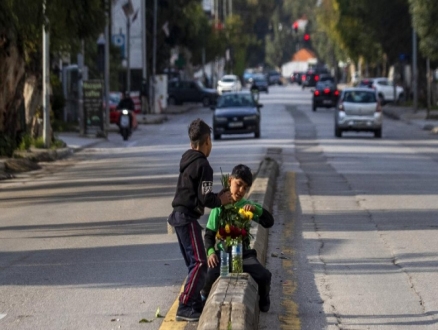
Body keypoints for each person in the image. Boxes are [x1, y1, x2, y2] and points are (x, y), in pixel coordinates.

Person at [168, 118, 233, 322]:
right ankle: (185, 305)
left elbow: (199, 193)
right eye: (210, 141)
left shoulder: (187, 160)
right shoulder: (204, 165)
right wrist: (220, 200)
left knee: (193, 263)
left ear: (191, 143)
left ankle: (195, 302)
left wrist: (217, 197)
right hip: (186, 218)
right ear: (207, 141)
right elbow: (206, 198)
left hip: (179, 216)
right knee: (199, 262)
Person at [201, 164, 274, 312]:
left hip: (243, 254)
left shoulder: (246, 206)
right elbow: (209, 233)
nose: (240, 191)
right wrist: (210, 252)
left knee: (264, 275)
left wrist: (256, 209)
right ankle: (202, 300)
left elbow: (269, 222)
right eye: (238, 185)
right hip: (224, 254)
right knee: (208, 276)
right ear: (230, 181)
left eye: (245, 188)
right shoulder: (219, 206)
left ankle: (264, 297)